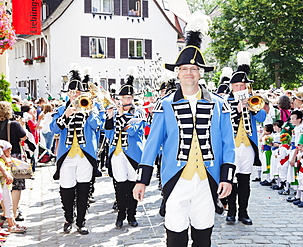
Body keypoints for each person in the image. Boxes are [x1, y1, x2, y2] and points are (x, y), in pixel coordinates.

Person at [133, 12, 235, 247]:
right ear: (177, 72)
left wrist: (227, 178)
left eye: (194, 69)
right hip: (176, 179)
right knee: (175, 236)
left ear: (201, 73)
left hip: (207, 179)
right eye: (185, 68)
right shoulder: (165, 104)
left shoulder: (219, 104)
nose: (189, 73)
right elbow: (152, 144)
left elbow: (228, 144)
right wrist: (142, 181)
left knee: (203, 235)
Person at [50, 65, 103, 235]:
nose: (74, 94)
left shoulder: (91, 108)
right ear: (68, 93)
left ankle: (81, 221)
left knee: (83, 189)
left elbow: (97, 126)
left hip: (85, 156)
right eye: (71, 92)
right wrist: (65, 115)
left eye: (77, 92)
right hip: (66, 156)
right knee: (66, 188)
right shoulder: (60, 109)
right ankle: (68, 218)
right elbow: (54, 130)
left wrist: (87, 112)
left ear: (82, 93)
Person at [225, 51, 266, 225]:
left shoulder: (252, 101)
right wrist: (237, 110)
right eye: (239, 85)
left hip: (248, 146)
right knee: (231, 181)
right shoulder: (225, 101)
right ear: (232, 86)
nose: (242, 88)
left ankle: (244, 212)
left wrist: (252, 107)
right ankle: (231, 212)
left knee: (244, 181)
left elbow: (262, 118)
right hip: (232, 147)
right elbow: (222, 122)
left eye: (244, 85)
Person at [105, 68, 146, 229]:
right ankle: (121, 214)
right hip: (116, 153)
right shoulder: (115, 112)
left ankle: (132, 214)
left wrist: (121, 115)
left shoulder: (139, 113)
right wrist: (109, 117)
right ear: (120, 98)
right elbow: (108, 133)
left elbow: (132, 131)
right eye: (124, 97)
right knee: (120, 185)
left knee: (132, 185)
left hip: (133, 154)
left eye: (130, 97)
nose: (127, 99)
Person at [0, 101, 28, 222]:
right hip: (14, 157)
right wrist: (22, 125)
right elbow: (24, 137)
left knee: (2, 185)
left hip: (0, 158)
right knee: (17, 186)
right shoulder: (14, 124)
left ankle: (6, 212)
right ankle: (14, 213)